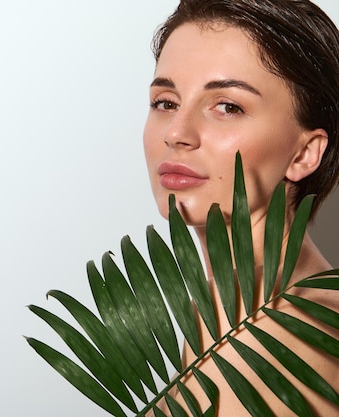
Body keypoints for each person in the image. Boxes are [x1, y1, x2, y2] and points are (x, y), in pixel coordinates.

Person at [143, 0, 339, 415]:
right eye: (165, 102)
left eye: (228, 106)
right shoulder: (229, 310)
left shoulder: (265, 347)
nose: (177, 132)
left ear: (305, 153)